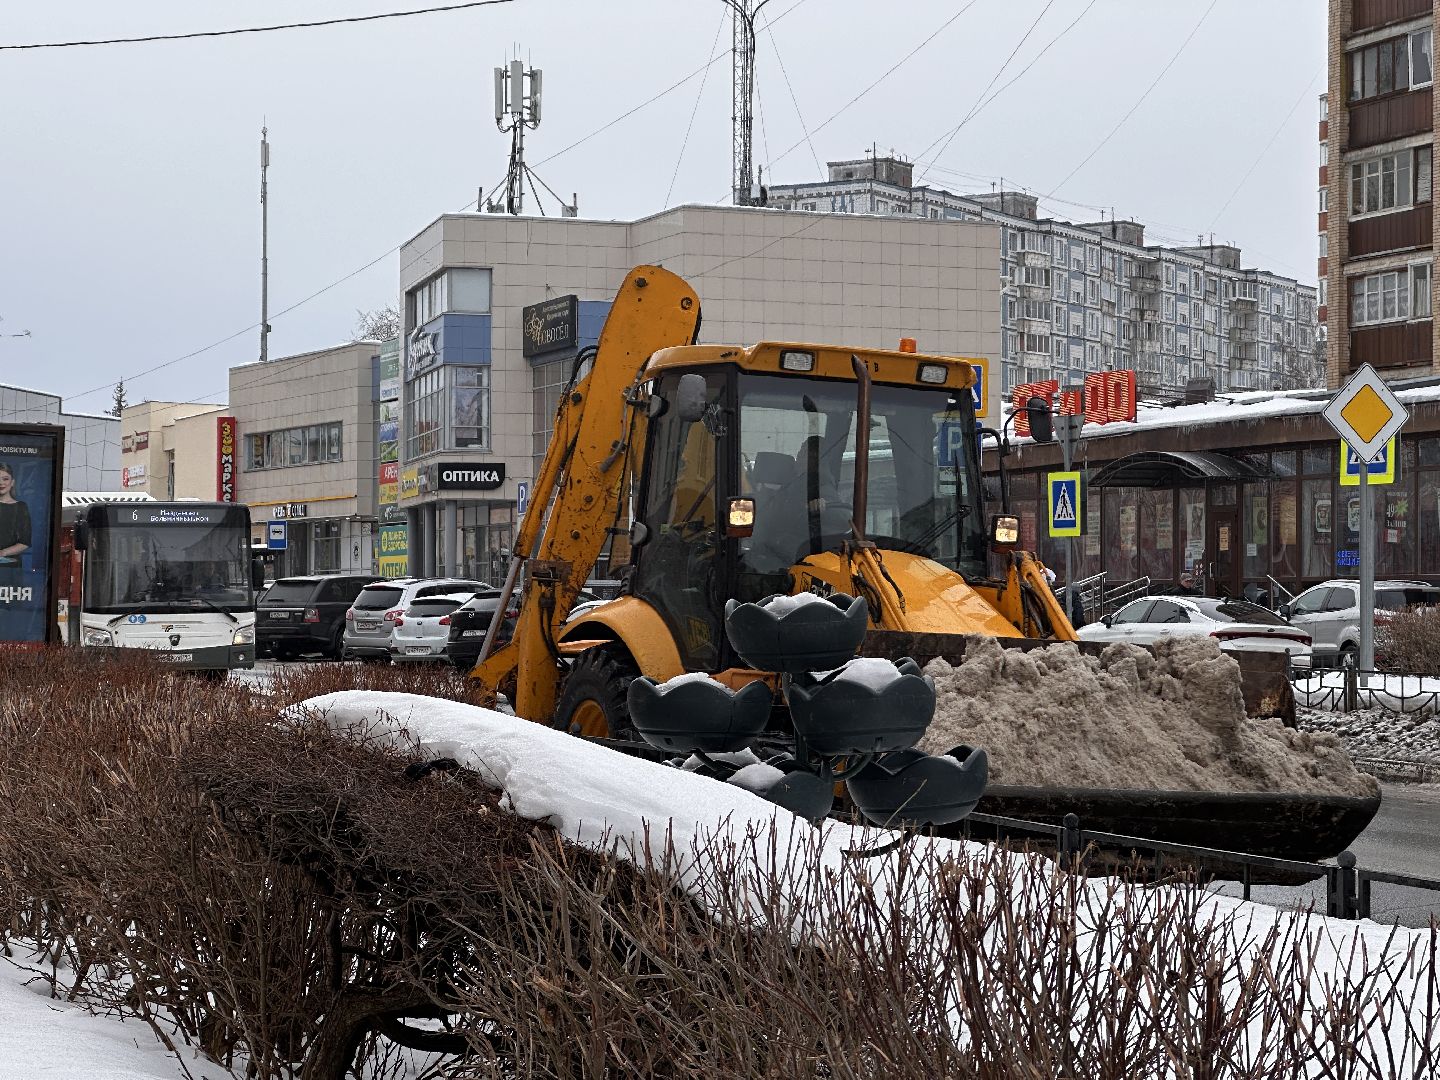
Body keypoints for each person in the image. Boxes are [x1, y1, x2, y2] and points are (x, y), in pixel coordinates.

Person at [0, 462, 32, 586]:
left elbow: (25, 542)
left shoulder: (20, 507)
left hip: (11, 570)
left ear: (12, 482)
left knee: (9, 604)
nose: (1, 483)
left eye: (5, 478)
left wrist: (2, 553)